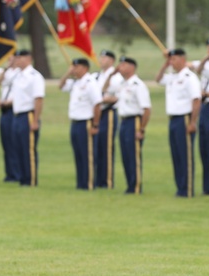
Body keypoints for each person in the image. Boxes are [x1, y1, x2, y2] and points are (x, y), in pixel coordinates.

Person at [156, 48, 201, 197]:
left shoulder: (189, 77)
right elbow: (158, 79)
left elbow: (196, 100)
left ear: (182, 59)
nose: (171, 62)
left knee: (185, 155)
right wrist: (164, 64)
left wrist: (193, 122)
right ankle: (180, 187)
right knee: (176, 155)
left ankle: (187, 188)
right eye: (170, 59)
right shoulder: (172, 77)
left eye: (174, 59)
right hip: (173, 119)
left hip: (185, 119)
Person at [107, 56, 151, 195]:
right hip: (124, 121)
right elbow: (104, 89)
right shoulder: (123, 84)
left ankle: (136, 186)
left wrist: (141, 129)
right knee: (125, 155)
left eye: (123, 65)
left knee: (133, 155)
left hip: (134, 121)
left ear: (132, 67)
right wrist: (111, 74)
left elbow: (147, 109)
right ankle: (129, 185)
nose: (120, 67)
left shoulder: (138, 85)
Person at [59, 57, 103, 190]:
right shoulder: (75, 83)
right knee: (78, 153)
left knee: (87, 155)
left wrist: (95, 124)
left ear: (85, 68)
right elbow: (61, 85)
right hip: (75, 122)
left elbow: (97, 104)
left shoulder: (90, 83)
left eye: (76, 67)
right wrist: (68, 73)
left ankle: (89, 183)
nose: (74, 69)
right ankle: (81, 183)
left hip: (86, 122)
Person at [10, 49, 45, 187]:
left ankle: (30, 179)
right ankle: (22, 177)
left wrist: (36, 120)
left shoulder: (34, 76)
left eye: (19, 58)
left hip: (29, 115)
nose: (17, 60)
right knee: (18, 148)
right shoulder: (17, 76)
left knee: (28, 149)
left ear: (28, 59)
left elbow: (39, 99)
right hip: (17, 115)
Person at [192, 37, 209, 195]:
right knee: (204, 148)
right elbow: (197, 68)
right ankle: (207, 186)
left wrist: (206, 93)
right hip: (204, 107)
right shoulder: (207, 63)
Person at [0, 57, 21, 182]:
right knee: (6, 143)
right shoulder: (7, 72)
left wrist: (5, 103)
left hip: (12, 109)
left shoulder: (20, 74)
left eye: (12, 59)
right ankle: (9, 173)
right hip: (4, 110)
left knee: (13, 143)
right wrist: (5, 69)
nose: (10, 61)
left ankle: (16, 173)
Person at [94, 49, 119, 189]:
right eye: (101, 57)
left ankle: (107, 181)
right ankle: (99, 179)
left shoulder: (117, 76)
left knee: (107, 148)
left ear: (111, 60)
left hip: (108, 112)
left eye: (104, 58)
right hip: (98, 113)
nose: (101, 60)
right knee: (98, 147)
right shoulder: (97, 76)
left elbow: (117, 94)